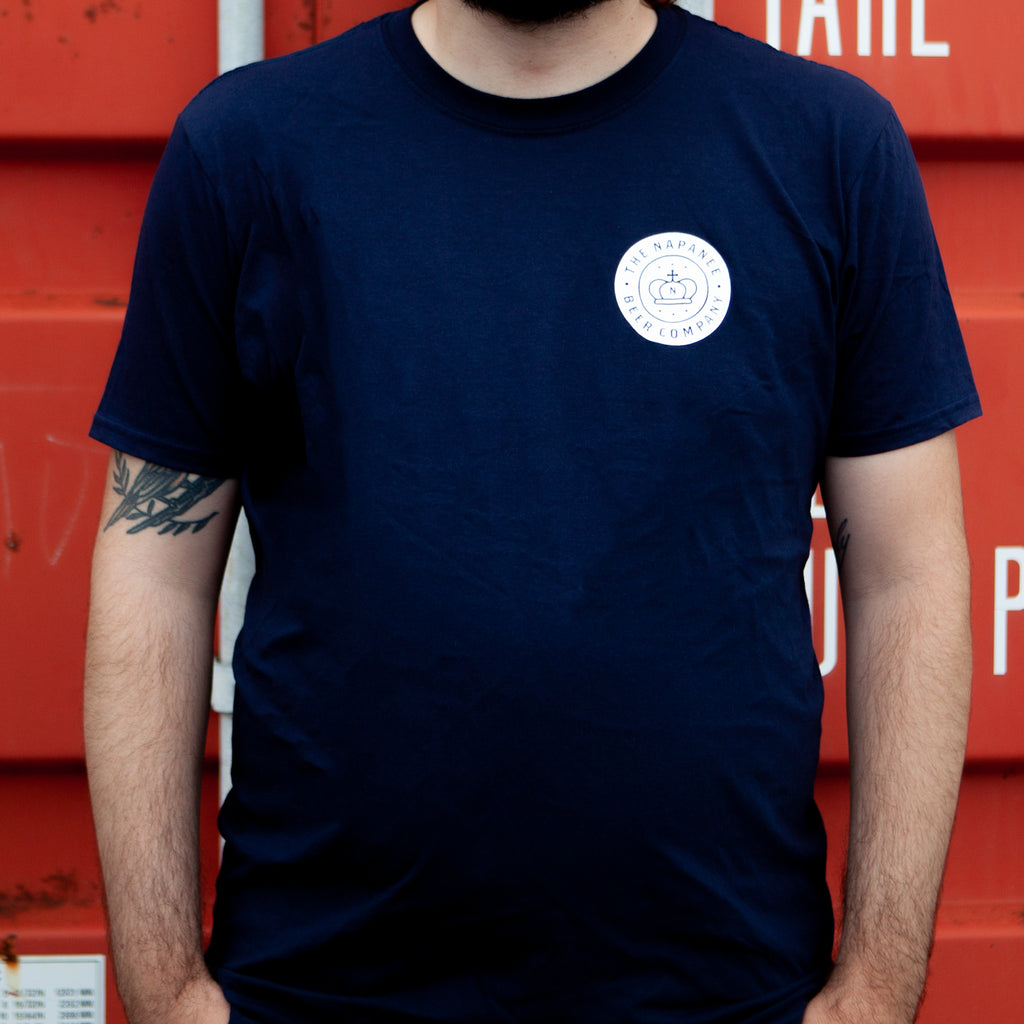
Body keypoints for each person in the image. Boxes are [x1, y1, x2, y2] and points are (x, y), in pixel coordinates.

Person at [83, 0, 980, 1022]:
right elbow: (153, 570)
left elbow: (908, 575)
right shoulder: (248, 144)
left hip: (724, 990)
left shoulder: (826, 145)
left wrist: (875, 993)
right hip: (315, 984)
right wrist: (163, 990)